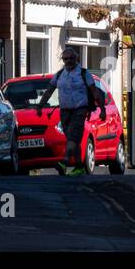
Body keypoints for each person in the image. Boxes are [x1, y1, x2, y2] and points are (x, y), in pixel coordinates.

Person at [37, 46, 106, 176]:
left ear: (76, 58)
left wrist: (102, 109)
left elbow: (94, 92)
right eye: (65, 59)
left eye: (71, 58)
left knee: (73, 137)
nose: (68, 61)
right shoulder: (59, 75)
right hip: (64, 111)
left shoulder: (84, 74)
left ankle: (64, 162)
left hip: (80, 110)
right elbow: (49, 90)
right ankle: (79, 167)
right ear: (63, 60)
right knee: (73, 140)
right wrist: (40, 106)